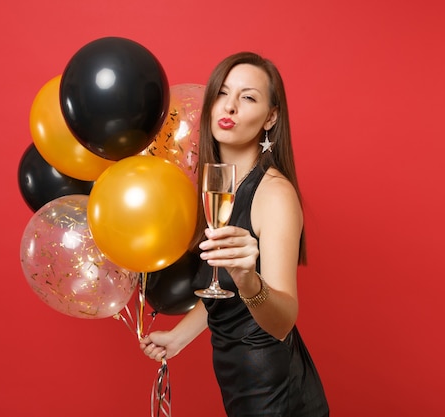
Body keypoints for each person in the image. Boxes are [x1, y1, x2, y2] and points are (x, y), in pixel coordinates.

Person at [140, 51, 329, 417]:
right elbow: (221, 290)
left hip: (274, 391)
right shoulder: (213, 186)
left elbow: (283, 321)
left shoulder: (273, 194)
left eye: (248, 97)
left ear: (271, 117)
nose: (230, 107)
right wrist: (177, 338)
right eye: (223, 93)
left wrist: (249, 280)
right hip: (240, 383)